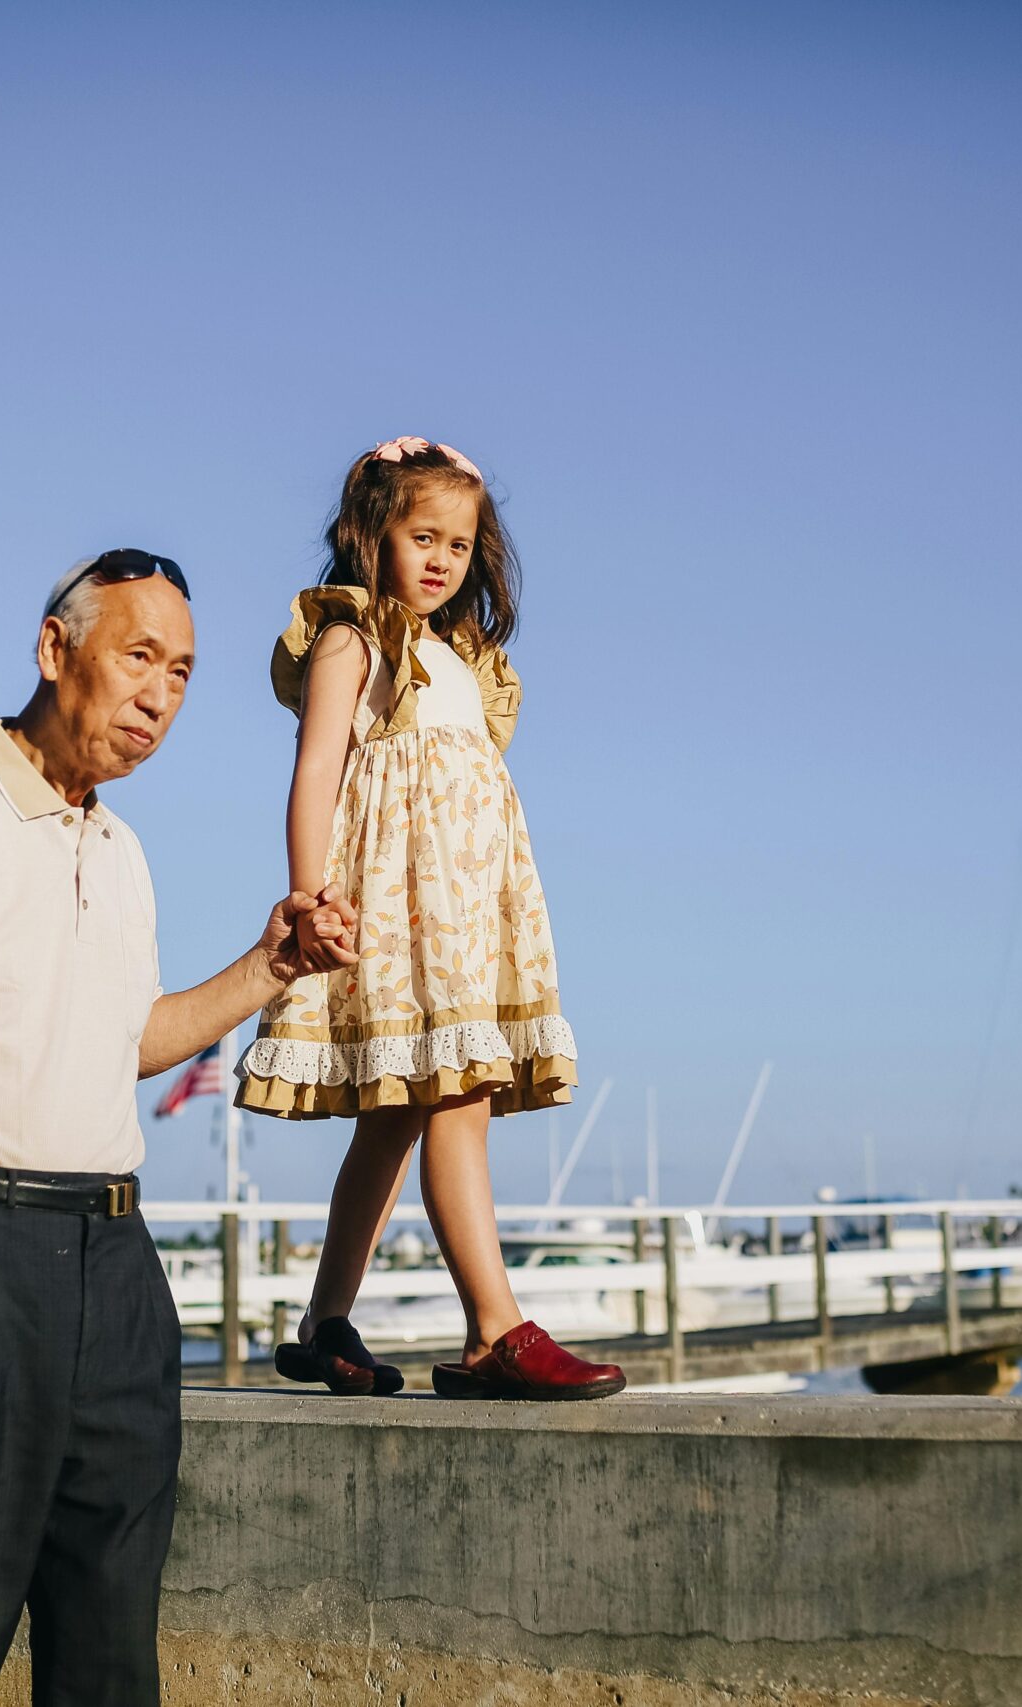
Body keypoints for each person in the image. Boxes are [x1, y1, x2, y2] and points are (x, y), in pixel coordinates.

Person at [0, 549, 354, 1707]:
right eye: (138, 656)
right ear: (55, 652)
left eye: (185, 673)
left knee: (109, 1645)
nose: (161, 695)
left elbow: (126, 1042)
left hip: (115, 1265)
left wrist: (269, 964)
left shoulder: (124, 850)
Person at [236, 438, 624, 1401]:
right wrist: (306, 897)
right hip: (400, 908)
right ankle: (494, 1329)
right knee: (455, 1098)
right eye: (423, 535)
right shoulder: (353, 636)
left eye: (460, 540)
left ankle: (327, 1322)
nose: (444, 557)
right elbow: (317, 769)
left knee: (396, 1121)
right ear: (374, 536)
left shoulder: (463, 657)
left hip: (464, 908)